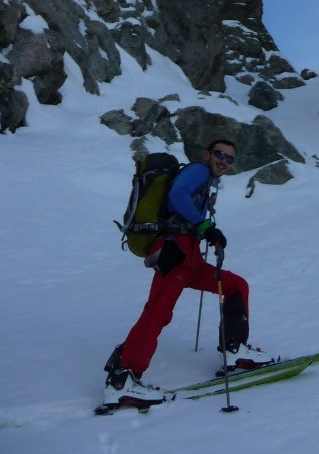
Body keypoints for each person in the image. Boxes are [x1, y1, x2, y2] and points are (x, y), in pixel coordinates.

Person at [103, 139, 274, 408]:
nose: (224, 162)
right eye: (220, 154)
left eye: (230, 159)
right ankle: (123, 380)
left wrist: (206, 232)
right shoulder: (198, 171)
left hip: (189, 255)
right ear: (207, 154)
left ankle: (234, 350)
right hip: (176, 251)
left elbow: (188, 211)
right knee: (158, 312)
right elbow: (177, 195)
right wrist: (203, 225)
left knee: (234, 285)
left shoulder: (207, 183)